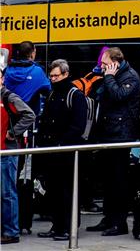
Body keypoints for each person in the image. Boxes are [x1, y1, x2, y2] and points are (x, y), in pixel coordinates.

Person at [87, 47, 140, 237]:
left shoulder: (130, 77)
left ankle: (119, 222)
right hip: (108, 131)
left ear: (114, 63)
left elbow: (119, 95)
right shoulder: (109, 74)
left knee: (119, 180)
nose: (101, 65)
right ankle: (108, 218)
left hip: (121, 134)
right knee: (108, 179)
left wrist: (109, 77)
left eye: (104, 62)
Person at [36, 60, 88, 241]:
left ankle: (68, 227)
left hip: (67, 151)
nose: (53, 79)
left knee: (68, 191)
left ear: (66, 75)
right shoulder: (52, 94)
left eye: (56, 76)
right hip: (51, 150)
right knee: (54, 190)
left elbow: (78, 126)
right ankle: (57, 225)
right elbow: (45, 121)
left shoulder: (75, 95)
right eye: (51, 76)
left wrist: (62, 143)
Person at [1, 70, 36, 245]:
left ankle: (11, 231)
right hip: (4, 151)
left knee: (7, 193)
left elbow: (29, 115)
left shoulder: (9, 97)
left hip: (7, 152)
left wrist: (12, 132)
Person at [3, 41, 50, 114]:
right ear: (32, 53)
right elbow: (48, 91)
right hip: (29, 115)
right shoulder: (37, 71)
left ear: (18, 53)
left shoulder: (7, 70)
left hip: (9, 114)